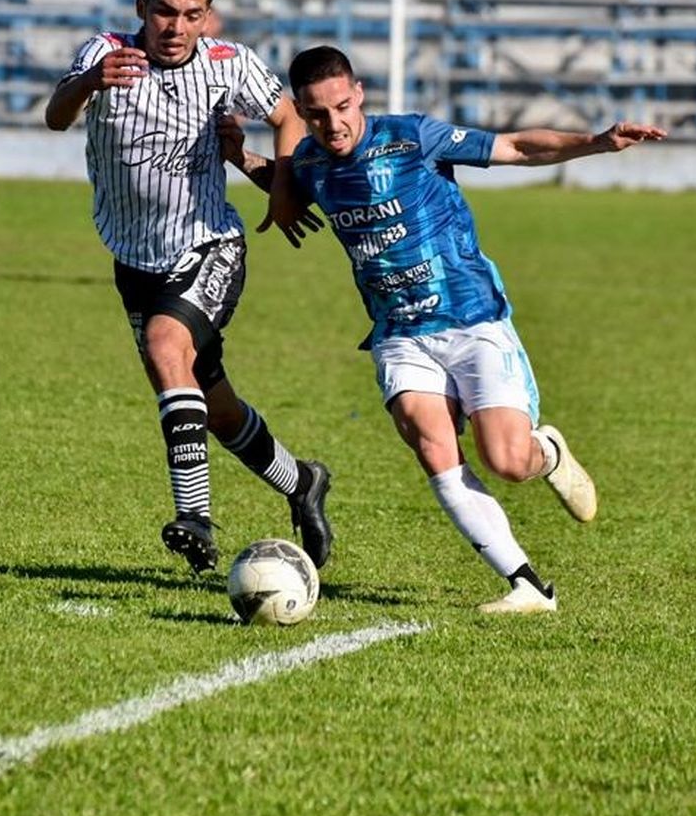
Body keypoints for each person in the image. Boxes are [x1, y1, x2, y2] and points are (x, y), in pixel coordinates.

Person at [236, 45, 665, 613]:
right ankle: (527, 585)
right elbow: (288, 190)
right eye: (316, 114)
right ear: (302, 112)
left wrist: (596, 141)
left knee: (508, 461)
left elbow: (513, 147)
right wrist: (239, 156)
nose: (333, 124)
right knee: (430, 440)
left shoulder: (412, 136)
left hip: (471, 317)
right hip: (398, 332)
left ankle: (549, 455)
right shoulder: (311, 164)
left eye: (342, 106)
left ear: (358, 92)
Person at [43, 0, 333, 574]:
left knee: (165, 347)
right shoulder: (103, 53)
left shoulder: (230, 65)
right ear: (141, 7)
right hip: (135, 262)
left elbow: (287, 117)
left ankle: (194, 516)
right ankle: (302, 481)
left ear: (208, 16)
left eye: (191, 14)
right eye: (165, 12)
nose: (175, 28)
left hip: (208, 245)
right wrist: (90, 83)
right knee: (211, 401)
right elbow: (55, 115)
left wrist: (281, 189)